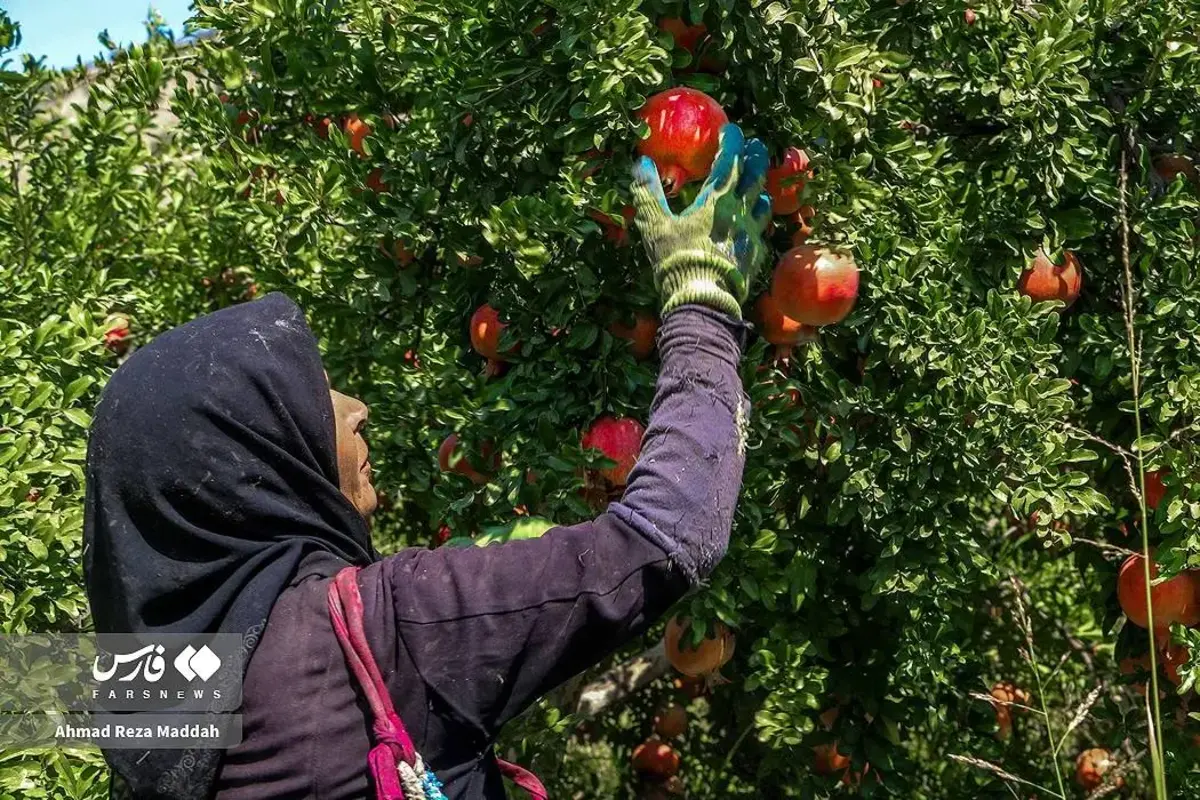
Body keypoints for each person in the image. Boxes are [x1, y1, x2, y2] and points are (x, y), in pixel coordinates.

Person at [83, 123, 772, 799]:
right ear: (257, 457)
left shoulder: (123, 686)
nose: (355, 409)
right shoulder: (398, 627)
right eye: (312, 398)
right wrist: (701, 305)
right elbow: (671, 532)